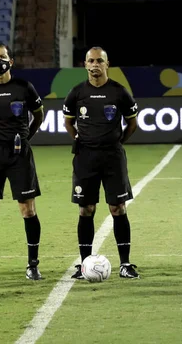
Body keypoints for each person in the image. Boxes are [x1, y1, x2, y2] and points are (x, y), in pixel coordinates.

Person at [63, 46, 140, 280]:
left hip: (112, 158)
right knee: (86, 209)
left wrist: (116, 142)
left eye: (99, 61)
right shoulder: (76, 93)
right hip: (85, 158)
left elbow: (132, 123)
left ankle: (125, 264)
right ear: (85, 65)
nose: (95, 65)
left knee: (118, 208)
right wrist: (80, 139)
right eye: (91, 61)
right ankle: (85, 263)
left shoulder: (119, 92)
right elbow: (68, 122)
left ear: (107, 64)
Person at [0, 43, 45, 281]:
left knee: (28, 209)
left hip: (19, 155)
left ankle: (32, 265)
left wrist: (26, 138)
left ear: (10, 61)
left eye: (2, 57)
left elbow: (38, 115)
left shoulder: (25, 88)